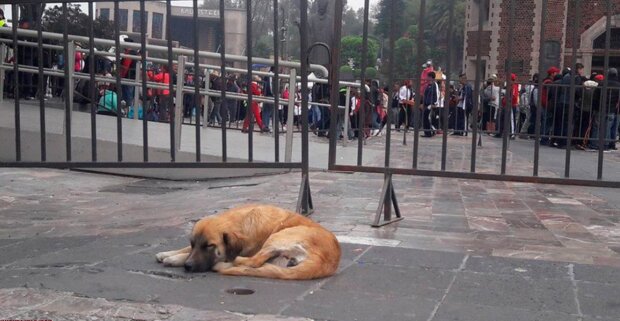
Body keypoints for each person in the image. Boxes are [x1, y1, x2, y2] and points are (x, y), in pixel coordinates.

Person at [588, 68, 620, 151]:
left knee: (596, 127)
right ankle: (605, 145)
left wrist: (594, 107)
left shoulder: (602, 83)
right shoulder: (618, 85)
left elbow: (595, 96)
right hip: (612, 109)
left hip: (600, 108)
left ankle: (594, 144)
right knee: (608, 127)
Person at [421, 71, 439, 137]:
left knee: (428, 118)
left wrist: (434, 104)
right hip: (426, 104)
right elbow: (425, 95)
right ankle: (427, 132)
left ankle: (430, 132)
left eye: (428, 77)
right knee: (425, 118)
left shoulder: (435, 85)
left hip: (431, 104)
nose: (427, 78)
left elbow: (437, 94)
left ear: (431, 77)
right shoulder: (428, 85)